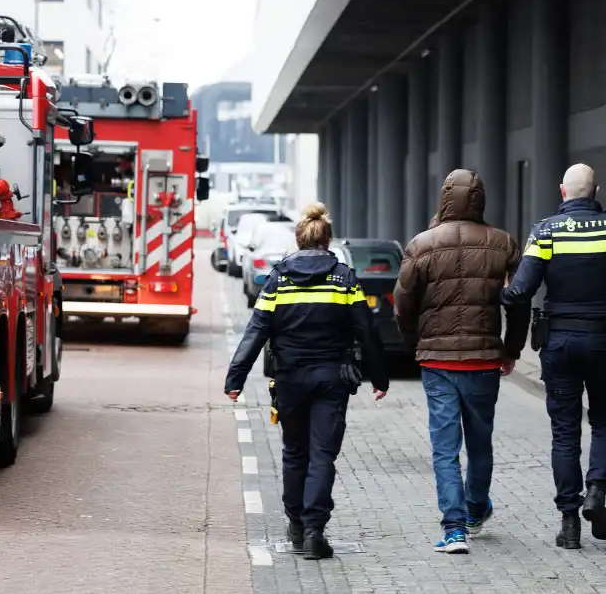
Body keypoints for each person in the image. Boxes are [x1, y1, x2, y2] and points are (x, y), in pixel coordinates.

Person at [502, 163, 606, 549]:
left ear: (563, 191)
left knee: (565, 433)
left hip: (559, 344)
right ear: (595, 190)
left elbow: (521, 290)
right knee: (605, 423)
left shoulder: (545, 231)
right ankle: (597, 492)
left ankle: (569, 524)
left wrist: (497, 294)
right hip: (604, 342)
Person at [224, 202, 389, 560]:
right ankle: (315, 531)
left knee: (294, 453)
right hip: (332, 379)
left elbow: (256, 330)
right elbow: (367, 330)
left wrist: (235, 378)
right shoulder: (344, 278)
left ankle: (296, 526)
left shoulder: (278, 278)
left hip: (289, 380)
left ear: (298, 241)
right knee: (322, 456)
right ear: (327, 241)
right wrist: (380, 378)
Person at [393, 168, 531, 554]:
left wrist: (415, 344)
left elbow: (402, 302)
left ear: (444, 198)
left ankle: (454, 529)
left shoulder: (421, 245)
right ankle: (474, 511)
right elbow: (520, 303)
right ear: (481, 199)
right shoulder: (503, 243)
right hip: (485, 360)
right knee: (480, 442)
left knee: (444, 447)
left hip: (437, 362)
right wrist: (512, 348)